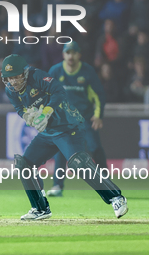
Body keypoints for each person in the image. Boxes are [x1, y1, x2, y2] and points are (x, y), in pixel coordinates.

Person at [1, 54, 127, 220]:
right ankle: (40, 209)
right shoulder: (10, 90)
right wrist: (27, 116)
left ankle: (116, 198)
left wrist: (46, 112)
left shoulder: (36, 76)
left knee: (78, 163)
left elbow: (59, 91)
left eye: (17, 77)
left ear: (24, 73)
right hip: (47, 132)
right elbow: (19, 108)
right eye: (10, 78)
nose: (14, 82)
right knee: (24, 164)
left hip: (68, 126)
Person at [46, 42, 107, 197]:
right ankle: (57, 186)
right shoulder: (55, 71)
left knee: (95, 148)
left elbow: (99, 94)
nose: (70, 56)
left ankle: (105, 184)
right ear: (63, 55)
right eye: (68, 53)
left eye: (73, 53)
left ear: (79, 55)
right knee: (60, 151)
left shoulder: (87, 72)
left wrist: (98, 115)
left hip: (85, 119)